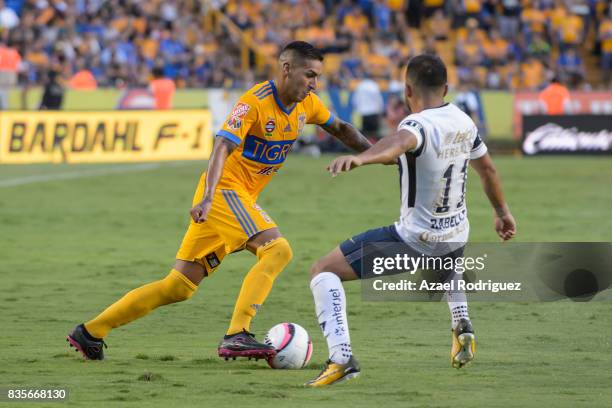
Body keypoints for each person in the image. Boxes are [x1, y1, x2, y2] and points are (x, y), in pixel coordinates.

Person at [66, 41, 371, 361]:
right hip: (224, 192)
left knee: (178, 286)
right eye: (309, 75)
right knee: (278, 250)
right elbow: (222, 146)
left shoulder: (307, 105)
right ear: (286, 69)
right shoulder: (254, 102)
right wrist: (210, 196)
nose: (314, 83)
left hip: (234, 200)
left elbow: (340, 128)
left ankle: (90, 332)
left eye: (317, 77)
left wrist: (377, 153)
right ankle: (237, 333)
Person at [305, 54, 516, 387]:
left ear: (407, 90)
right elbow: (488, 169)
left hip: (415, 240)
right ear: (446, 88)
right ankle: (463, 325)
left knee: (322, 270)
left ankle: (341, 357)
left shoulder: (416, 124)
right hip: (457, 231)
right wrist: (502, 212)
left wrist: (361, 158)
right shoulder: (463, 120)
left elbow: (396, 145)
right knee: (450, 260)